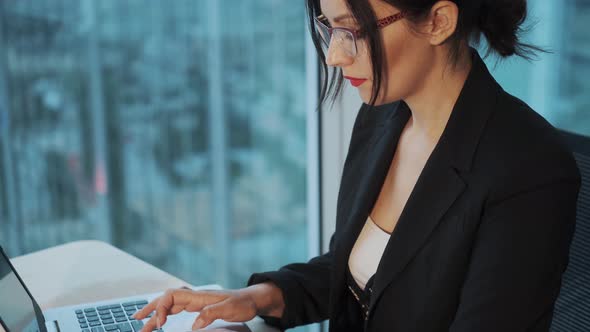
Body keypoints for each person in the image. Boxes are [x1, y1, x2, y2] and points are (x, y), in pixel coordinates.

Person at [134, 0, 581, 331]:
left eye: (352, 30)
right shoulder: (382, 115)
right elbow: (359, 271)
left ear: (439, 21)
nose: (334, 55)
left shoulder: (529, 170)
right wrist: (257, 298)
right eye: (329, 29)